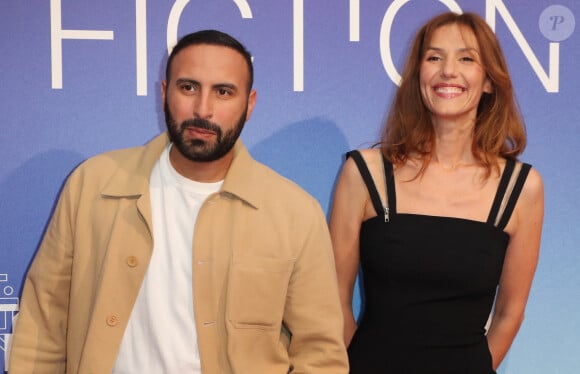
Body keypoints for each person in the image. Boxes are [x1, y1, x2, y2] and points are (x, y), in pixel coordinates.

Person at [9, 30, 349, 373]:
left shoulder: (294, 213)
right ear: (163, 93)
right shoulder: (93, 185)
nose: (203, 109)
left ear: (250, 104)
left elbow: (320, 354)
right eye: (188, 87)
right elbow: (42, 323)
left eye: (224, 92)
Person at [329, 12, 543, 374]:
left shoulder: (521, 189)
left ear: (489, 81)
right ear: (418, 77)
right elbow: (332, 298)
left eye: (466, 58)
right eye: (434, 57)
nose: (448, 71)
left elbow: (509, 314)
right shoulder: (364, 174)